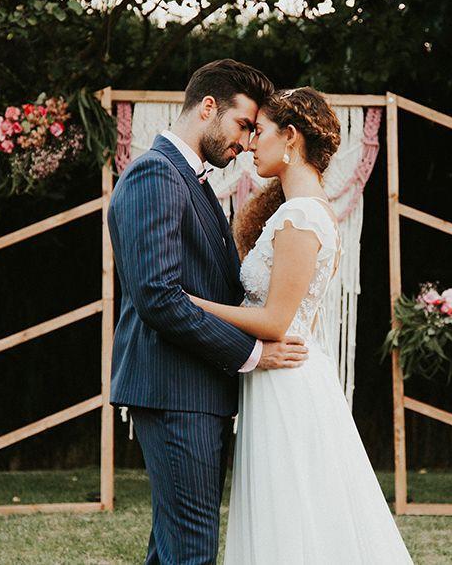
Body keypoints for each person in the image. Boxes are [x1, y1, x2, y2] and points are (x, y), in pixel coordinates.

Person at [188, 87, 413, 564]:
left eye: (260, 132)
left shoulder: (302, 216)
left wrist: (193, 305)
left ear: (290, 137)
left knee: (289, 514)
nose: (250, 144)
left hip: (286, 384)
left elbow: (274, 320)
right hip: (278, 379)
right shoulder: (299, 211)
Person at [107, 59, 309, 565]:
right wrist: (251, 353)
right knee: (191, 551)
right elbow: (158, 297)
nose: (244, 143)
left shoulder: (192, 182)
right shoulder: (155, 174)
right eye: (243, 125)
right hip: (176, 391)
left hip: (197, 391)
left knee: (175, 548)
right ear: (209, 107)